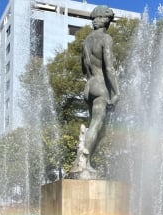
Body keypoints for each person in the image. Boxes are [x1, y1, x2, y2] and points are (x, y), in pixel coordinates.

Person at [69, 6, 120, 178]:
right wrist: (116, 92)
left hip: (89, 87)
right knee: (97, 124)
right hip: (100, 87)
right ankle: (82, 162)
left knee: (98, 128)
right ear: (105, 20)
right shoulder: (105, 39)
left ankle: (86, 161)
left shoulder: (86, 41)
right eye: (109, 20)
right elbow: (109, 68)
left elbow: (84, 68)